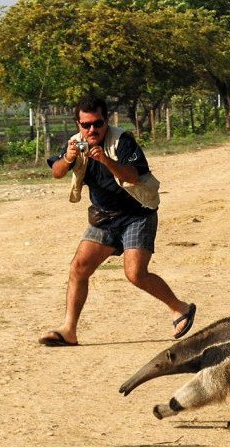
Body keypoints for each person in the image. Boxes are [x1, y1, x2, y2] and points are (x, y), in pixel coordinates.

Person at [40, 94, 195, 347]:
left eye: (98, 123)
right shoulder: (75, 144)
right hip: (105, 216)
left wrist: (105, 159)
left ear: (106, 120)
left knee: (135, 273)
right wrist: (67, 158)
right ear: (78, 124)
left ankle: (180, 308)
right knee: (79, 268)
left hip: (137, 214)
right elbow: (57, 172)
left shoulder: (122, 140)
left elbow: (133, 176)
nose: (92, 130)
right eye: (86, 125)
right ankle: (68, 330)